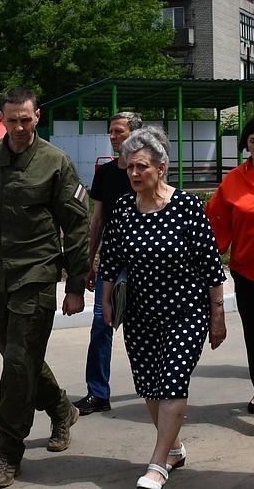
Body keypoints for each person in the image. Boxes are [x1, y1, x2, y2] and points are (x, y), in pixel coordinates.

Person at [0, 86, 90, 488]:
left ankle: (7, 453)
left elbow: (77, 225)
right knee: (21, 356)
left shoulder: (55, 162)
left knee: (16, 363)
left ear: (37, 117)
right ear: (1, 118)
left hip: (37, 273)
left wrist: (76, 284)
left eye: (25, 119)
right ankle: (62, 409)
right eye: (11, 119)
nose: (18, 127)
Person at [99, 126, 227, 489]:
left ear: (161, 167)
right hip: (140, 314)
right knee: (150, 388)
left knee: (172, 383)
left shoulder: (187, 207)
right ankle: (172, 448)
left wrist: (217, 315)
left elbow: (210, 266)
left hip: (185, 312)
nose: (135, 174)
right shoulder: (124, 208)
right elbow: (110, 260)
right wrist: (107, 301)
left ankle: (157, 464)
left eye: (142, 167)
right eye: (130, 168)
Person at [205, 115, 254, 437]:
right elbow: (215, 224)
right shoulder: (234, 181)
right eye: (252, 141)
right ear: (245, 144)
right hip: (247, 270)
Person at [74, 111, 143, 416]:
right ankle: (98, 393)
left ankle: (159, 386)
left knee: (146, 328)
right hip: (112, 263)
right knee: (102, 326)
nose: (114, 137)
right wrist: (91, 262)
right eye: (111, 132)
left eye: (119, 132)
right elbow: (97, 220)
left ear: (135, 135)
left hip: (145, 263)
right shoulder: (104, 173)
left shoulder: (145, 171)